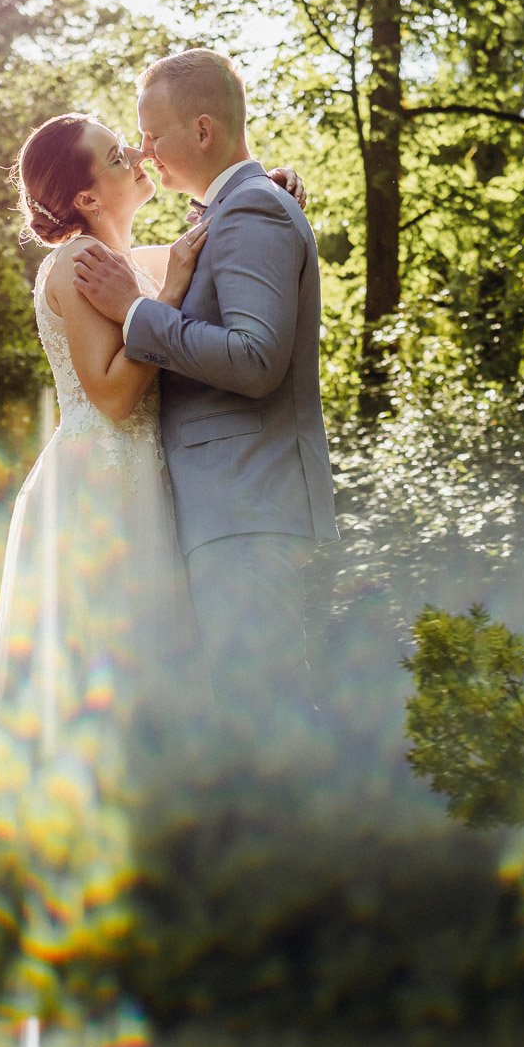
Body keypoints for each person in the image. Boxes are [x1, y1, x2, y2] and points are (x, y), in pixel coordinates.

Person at [0, 105, 311, 744]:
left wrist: (270, 185)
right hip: (99, 487)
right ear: (84, 196)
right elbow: (111, 396)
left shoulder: (126, 258)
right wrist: (165, 291)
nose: (134, 153)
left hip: (144, 478)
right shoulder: (78, 263)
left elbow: (213, 237)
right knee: (108, 663)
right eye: (113, 155)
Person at [70, 49, 337, 729]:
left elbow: (254, 359)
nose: (142, 150)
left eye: (151, 135)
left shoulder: (251, 211)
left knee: (264, 720)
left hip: (247, 507)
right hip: (227, 510)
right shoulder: (236, 212)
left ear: (203, 131)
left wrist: (135, 313)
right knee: (248, 719)